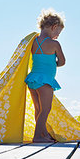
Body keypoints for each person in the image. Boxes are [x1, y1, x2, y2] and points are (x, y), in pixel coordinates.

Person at [24, 9, 66, 143]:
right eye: (57, 33)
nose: (57, 36)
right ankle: (37, 137)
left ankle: (44, 134)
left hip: (32, 79)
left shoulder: (33, 42)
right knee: (46, 109)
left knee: (38, 109)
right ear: (54, 27)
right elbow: (62, 62)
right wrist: (53, 64)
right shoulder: (54, 44)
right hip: (45, 81)